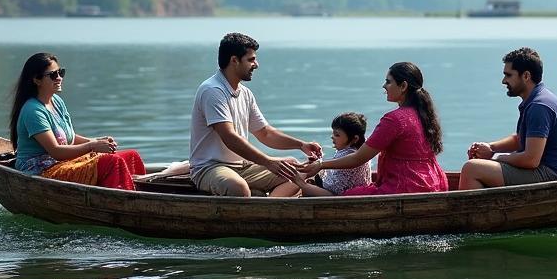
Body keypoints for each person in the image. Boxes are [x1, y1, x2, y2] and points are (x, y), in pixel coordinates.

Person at [189, 32, 324, 197]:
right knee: (237, 187)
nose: (256, 64)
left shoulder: (245, 93)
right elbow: (230, 138)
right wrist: (268, 162)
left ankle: (268, 208)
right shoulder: (212, 90)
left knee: (296, 171)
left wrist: (301, 145)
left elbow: (265, 133)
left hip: (243, 166)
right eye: (251, 60)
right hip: (211, 168)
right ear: (234, 60)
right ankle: (257, 203)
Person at [301, 62, 448, 196]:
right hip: (435, 183)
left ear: (403, 86)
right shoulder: (425, 115)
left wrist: (320, 165)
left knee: (345, 196)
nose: (384, 86)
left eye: (388, 82)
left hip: (405, 186)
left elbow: (358, 158)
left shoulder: (395, 119)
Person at [9, 52, 145, 190]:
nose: (59, 78)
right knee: (111, 162)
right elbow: (56, 151)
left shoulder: (57, 101)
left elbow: (70, 138)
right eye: (53, 75)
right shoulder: (33, 111)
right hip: (42, 171)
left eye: (60, 72)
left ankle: (138, 197)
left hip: (62, 163)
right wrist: (92, 146)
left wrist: (96, 141)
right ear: (37, 80)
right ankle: (121, 202)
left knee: (131, 156)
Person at [459, 46, 557, 189]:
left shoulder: (539, 106)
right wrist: (490, 147)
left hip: (555, 176)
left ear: (526, 76)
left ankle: (475, 211)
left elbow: (531, 160)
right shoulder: (535, 100)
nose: (503, 81)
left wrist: (493, 156)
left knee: (472, 169)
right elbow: (520, 139)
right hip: (544, 170)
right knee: (478, 167)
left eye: (508, 75)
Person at [292, 112, 372, 196]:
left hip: (341, 195)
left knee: (303, 185)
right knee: (309, 180)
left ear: (355, 139)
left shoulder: (352, 154)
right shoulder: (359, 150)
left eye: (337, 135)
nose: (332, 136)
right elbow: (335, 173)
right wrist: (317, 163)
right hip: (339, 189)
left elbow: (336, 185)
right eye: (333, 133)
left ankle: (297, 186)